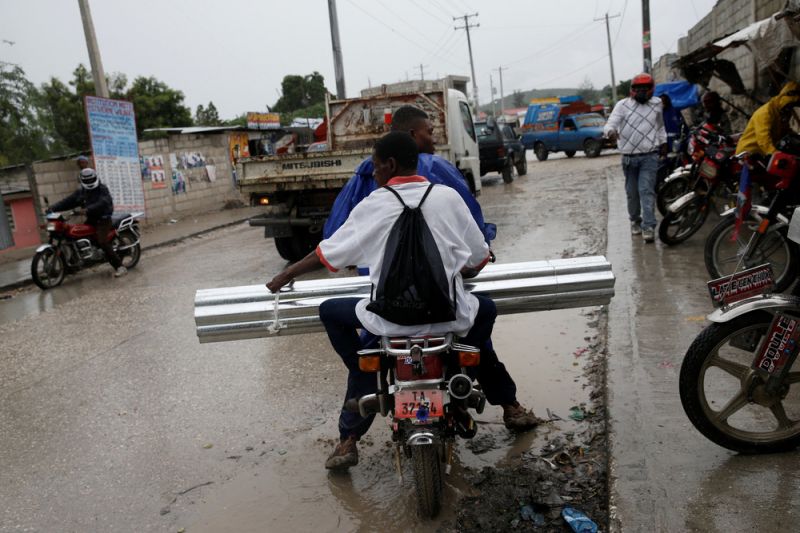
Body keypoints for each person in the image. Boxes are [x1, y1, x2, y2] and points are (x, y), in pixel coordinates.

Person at [266, 131, 539, 470]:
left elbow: (327, 256)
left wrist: (286, 274)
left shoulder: (373, 205)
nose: (374, 174)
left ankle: (349, 436)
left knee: (337, 322)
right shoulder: (448, 198)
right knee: (484, 321)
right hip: (450, 316)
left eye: (375, 167)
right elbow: (479, 256)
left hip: (389, 321)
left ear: (390, 165)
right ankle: (509, 406)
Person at [323, 105, 496, 245]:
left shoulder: (365, 173)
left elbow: (334, 233)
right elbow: (470, 221)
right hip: (435, 279)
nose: (433, 139)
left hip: (378, 280)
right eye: (429, 132)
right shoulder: (436, 167)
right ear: (413, 135)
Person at [604, 73, 668, 244]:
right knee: (632, 193)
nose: (641, 92)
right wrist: (610, 132)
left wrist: (663, 143)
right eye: (637, 89)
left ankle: (649, 227)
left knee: (646, 191)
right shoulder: (622, 105)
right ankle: (635, 221)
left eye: (644, 89)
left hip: (649, 156)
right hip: (628, 158)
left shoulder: (657, 104)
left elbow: (660, 126)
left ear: (651, 89)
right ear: (632, 90)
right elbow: (611, 123)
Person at [47, 167, 127, 277]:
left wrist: (88, 209)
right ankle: (73, 267)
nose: (89, 182)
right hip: (92, 220)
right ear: (82, 180)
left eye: (91, 179)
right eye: (86, 180)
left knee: (102, 241)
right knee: (73, 236)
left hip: (104, 220)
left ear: (95, 178)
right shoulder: (81, 191)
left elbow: (103, 202)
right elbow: (68, 201)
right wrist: (53, 208)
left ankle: (120, 266)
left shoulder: (102, 189)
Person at [735, 81, 800, 157]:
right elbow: (763, 139)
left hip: (763, 153)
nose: (790, 109)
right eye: (790, 105)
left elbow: (784, 132)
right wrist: (776, 154)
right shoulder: (765, 112)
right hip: (748, 154)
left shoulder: (781, 112)